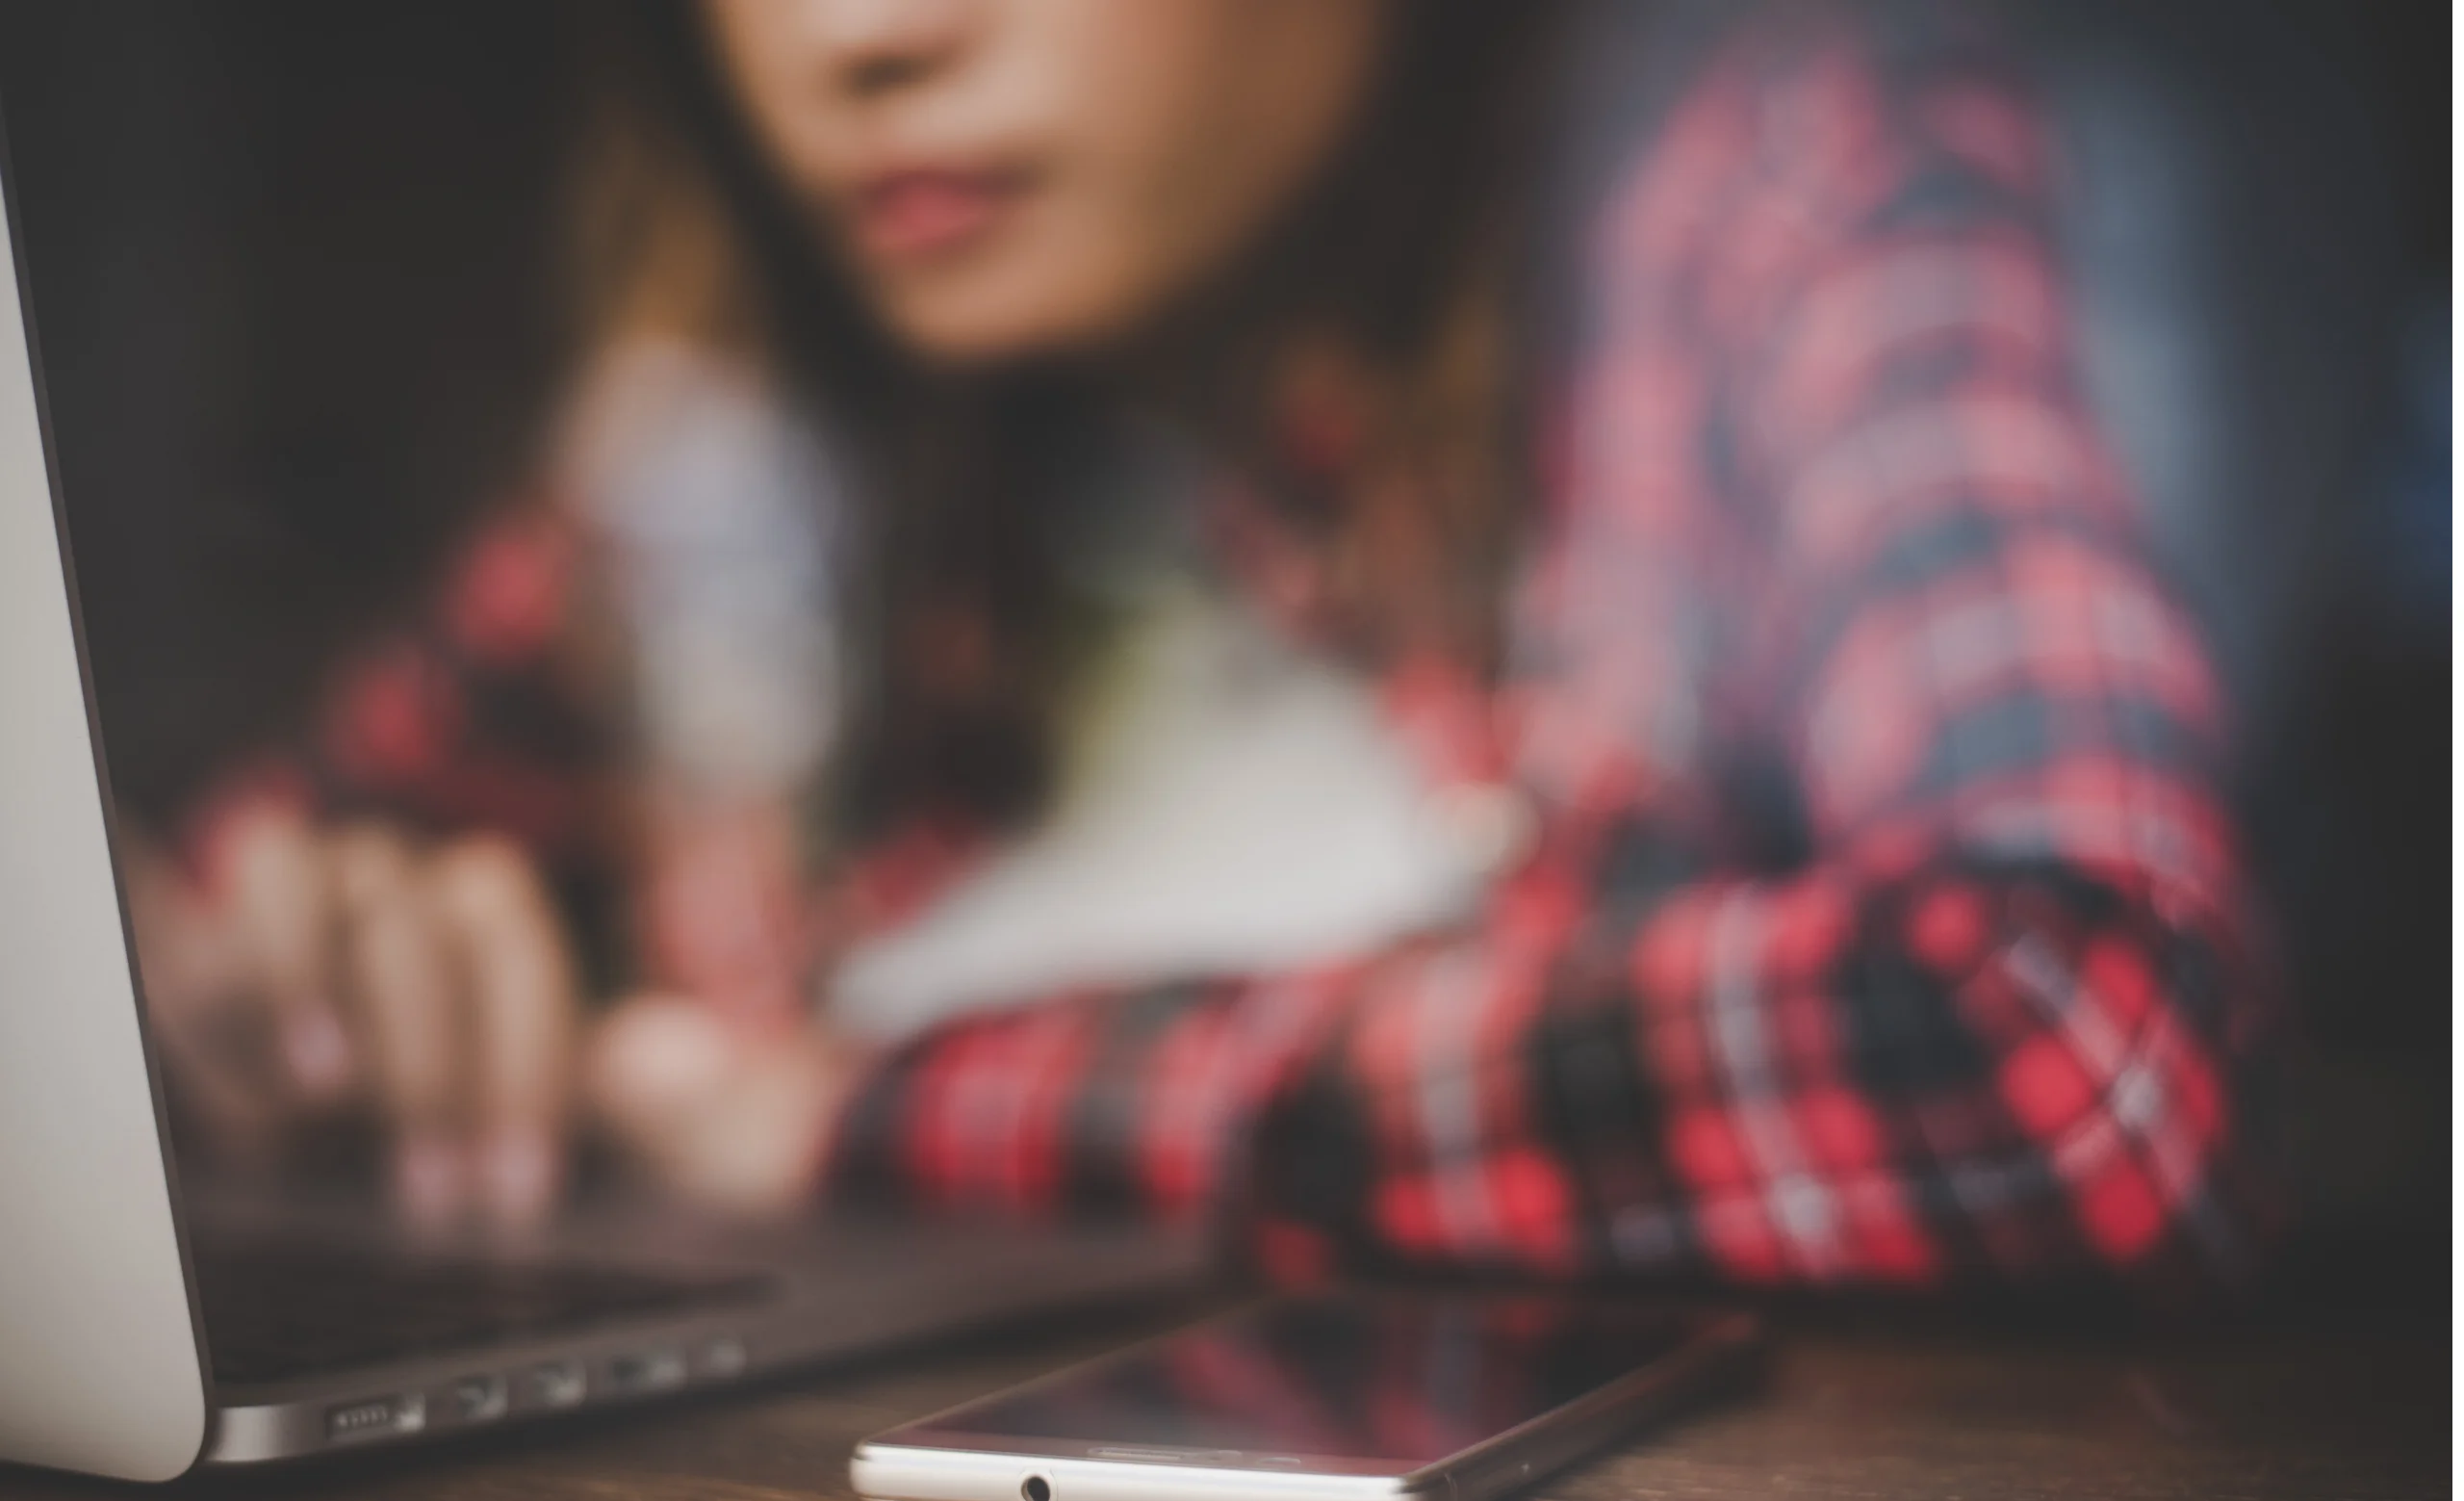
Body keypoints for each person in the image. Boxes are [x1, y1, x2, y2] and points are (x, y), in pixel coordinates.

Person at [130, 0, 2266, 1290]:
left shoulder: (1760, 179)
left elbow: (2067, 1037)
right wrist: (299, 987)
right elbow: (171, 940)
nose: (859, 33)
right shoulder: (731, 418)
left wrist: (865, 1112)